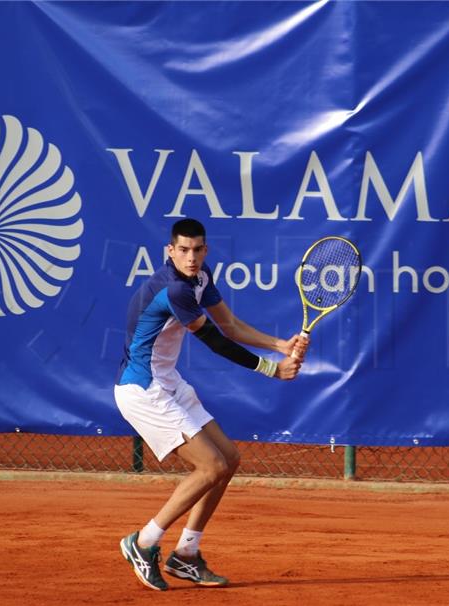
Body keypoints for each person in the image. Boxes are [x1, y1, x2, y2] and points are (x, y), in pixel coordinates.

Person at [114, 218, 308, 591]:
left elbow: (231, 325)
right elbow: (216, 342)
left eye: (198, 250)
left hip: (169, 383)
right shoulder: (174, 290)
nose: (191, 257)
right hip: (143, 390)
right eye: (183, 250)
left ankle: (186, 555)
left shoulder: (201, 278)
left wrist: (279, 345)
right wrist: (273, 370)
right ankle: (142, 543)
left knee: (228, 461)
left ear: (205, 250)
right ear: (170, 251)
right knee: (210, 466)